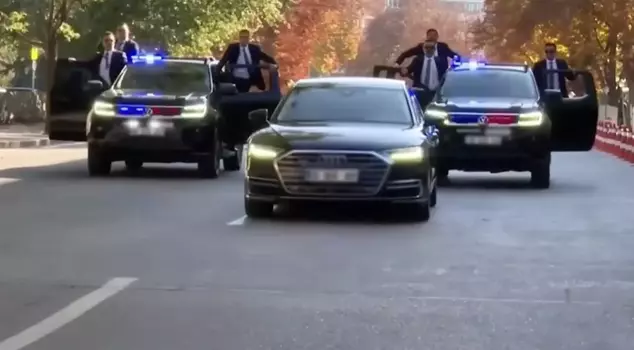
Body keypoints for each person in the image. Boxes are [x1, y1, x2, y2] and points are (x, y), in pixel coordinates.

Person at [401, 40, 448, 107]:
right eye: (426, 47)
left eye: (431, 47)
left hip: (435, 94)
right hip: (420, 92)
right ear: (423, 49)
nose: (429, 49)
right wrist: (405, 71)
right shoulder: (418, 60)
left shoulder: (440, 61)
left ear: (434, 49)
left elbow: (445, 75)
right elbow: (409, 69)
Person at [394, 28, 459, 66]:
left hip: (440, 77)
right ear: (427, 36)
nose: (432, 37)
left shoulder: (443, 47)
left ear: (437, 37)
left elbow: (453, 55)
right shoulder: (421, 47)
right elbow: (406, 54)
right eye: (430, 35)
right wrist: (397, 64)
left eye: (434, 35)